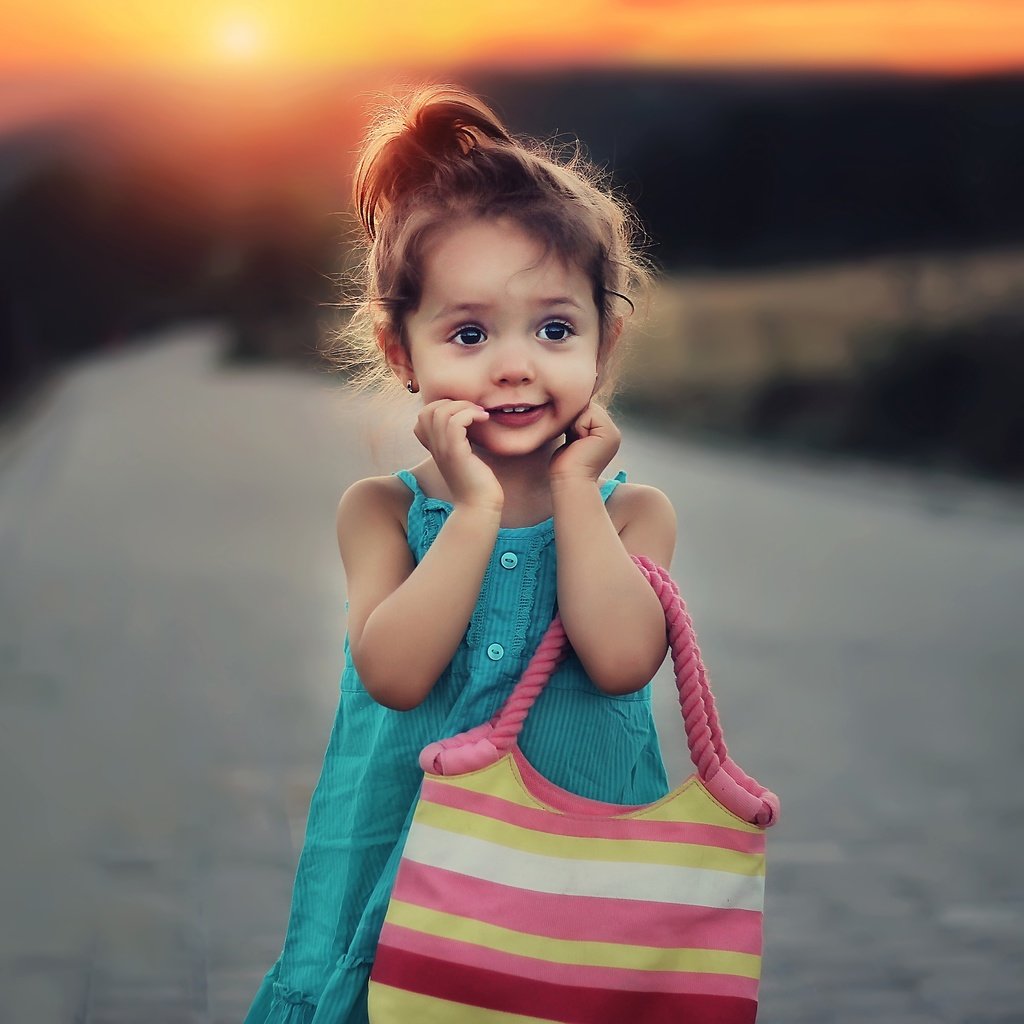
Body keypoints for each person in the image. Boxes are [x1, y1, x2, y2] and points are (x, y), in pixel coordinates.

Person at [244, 83, 678, 1024]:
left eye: (555, 329)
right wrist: (474, 509)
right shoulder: (380, 513)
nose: (515, 365)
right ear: (401, 350)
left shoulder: (633, 514)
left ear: (605, 341)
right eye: (470, 333)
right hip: (396, 886)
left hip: (566, 901)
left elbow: (620, 658)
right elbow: (395, 674)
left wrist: (571, 494)